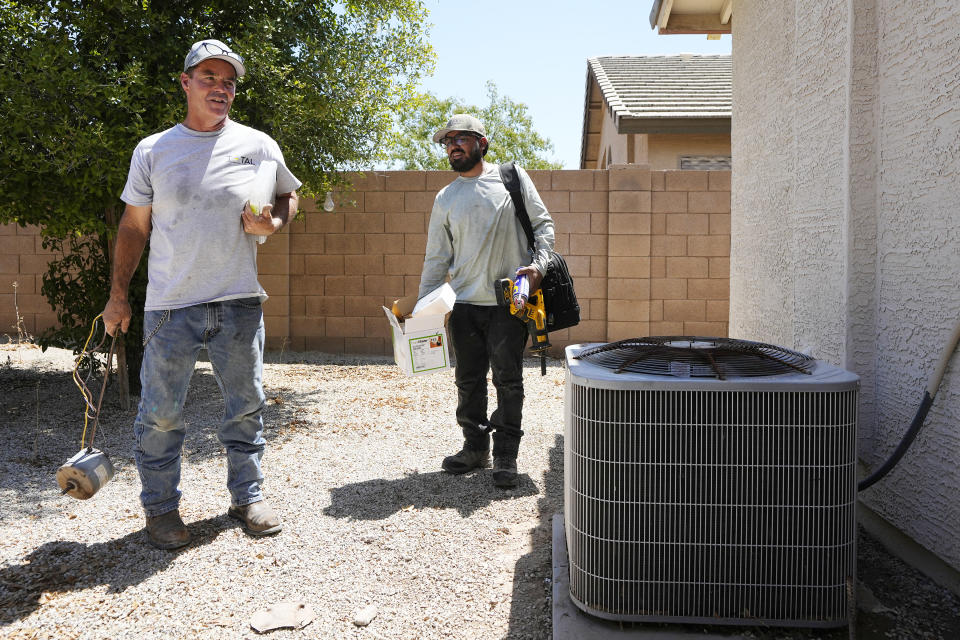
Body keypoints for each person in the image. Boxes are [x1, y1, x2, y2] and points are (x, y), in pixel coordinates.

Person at [102, 39, 301, 549]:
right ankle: (162, 510)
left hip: (238, 301)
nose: (221, 88)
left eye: (229, 81)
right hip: (171, 306)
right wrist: (118, 296)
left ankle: (247, 498)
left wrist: (274, 221)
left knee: (246, 406)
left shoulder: (258, 145)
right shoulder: (154, 150)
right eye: (209, 77)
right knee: (162, 413)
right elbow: (133, 226)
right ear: (186, 82)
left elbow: (288, 194)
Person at [417, 114, 555, 489]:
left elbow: (544, 228)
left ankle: (506, 455)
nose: (452, 146)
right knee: (468, 381)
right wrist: (421, 311)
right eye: (447, 142)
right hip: (463, 305)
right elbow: (436, 258)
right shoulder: (445, 198)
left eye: (460, 138)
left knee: (508, 381)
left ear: (482, 142)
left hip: (510, 302)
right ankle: (475, 447)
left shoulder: (512, 178)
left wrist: (539, 266)